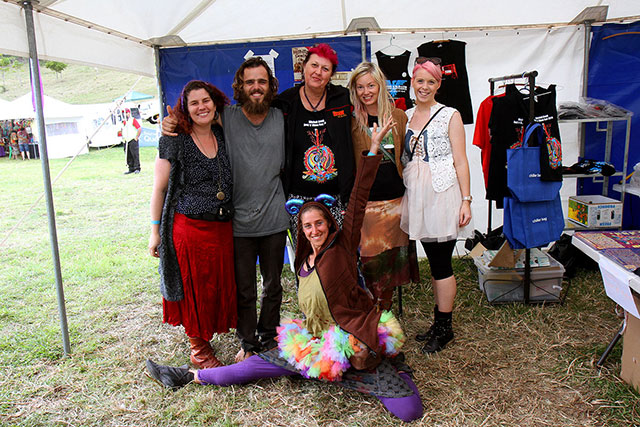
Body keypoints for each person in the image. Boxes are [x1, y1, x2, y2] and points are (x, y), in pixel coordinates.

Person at [146, 119, 423, 422]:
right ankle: (189, 376)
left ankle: (387, 368)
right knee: (255, 366)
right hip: (315, 339)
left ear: (330, 223)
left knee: (409, 410)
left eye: (320, 223)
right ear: (301, 231)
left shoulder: (341, 247)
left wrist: (372, 150)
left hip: (355, 336)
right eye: (307, 226)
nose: (314, 230)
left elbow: (356, 200)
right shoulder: (302, 263)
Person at [161, 57, 289, 363]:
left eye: (261, 81)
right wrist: (173, 121)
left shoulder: (283, 116)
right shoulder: (226, 118)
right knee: (244, 288)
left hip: (274, 217)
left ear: (270, 85)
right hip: (238, 222)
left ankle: (269, 337)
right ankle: (247, 341)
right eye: (249, 82)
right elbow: (196, 117)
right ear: (240, 87)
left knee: (273, 285)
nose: (256, 87)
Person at [148, 80, 237, 369]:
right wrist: (154, 232)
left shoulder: (223, 135)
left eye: (206, 100)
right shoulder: (175, 139)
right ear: (186, 108)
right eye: (195, 102)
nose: (202, 107)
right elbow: (159, 188)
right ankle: (199, 349)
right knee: (195, 287)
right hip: (189, 229)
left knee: (216, 284)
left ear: (215, 103)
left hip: (222, 227)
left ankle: (207, 335)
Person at [400, 58, 473, 354]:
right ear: (412, 82)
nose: (424, 87)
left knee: (441, 263)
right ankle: (439, 321)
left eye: (431, 82)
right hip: (417, 196)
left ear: (438, 85)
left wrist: (466, 200)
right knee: (432, 260)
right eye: (420, 81)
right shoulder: (404, 116)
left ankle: (445, 327)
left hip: (442, 195)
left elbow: (460, 160)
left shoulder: (449, 115)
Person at [348, 62, 418, 309]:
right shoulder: (352, 120)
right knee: (372, 265)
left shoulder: (398, 116)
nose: (366, 91)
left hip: (397, 201)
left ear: (381, 86)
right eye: (360, 87)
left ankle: (385, 315)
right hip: (368, 203)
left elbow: (405, 157)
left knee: (392, 267)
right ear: (354, 90)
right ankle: (375, 314)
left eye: (371, 85)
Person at [273, 43, 354, 234]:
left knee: (337, 256)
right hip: (298, 198)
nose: (318, 72)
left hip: (336, 196)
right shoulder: (286, 102)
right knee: (306, 255)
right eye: (314, 65)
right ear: (304, 67)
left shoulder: (343, 98)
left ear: (331, 74)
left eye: (325, 69)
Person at [121, 108, 141, 174]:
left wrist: (136, 137)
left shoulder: (133, 120)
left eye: (126, 113)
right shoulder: (123, 122)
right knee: (128, 155)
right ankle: (131, 168)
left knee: (135, 154)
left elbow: (139, 128)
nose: (126, 114)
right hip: (126, 140)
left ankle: (137, 168)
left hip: (132, 139)